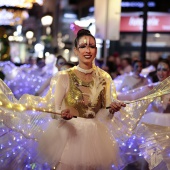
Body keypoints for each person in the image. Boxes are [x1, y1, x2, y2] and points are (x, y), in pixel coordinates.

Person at [0, 29, 170, 170]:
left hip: (94, 138)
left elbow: (104, 114)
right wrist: (61, 114)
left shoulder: (104, 77)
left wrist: (111, 109)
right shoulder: (64, 77)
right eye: (83, 46)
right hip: (67, 135)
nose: (88, 50)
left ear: (96, 50)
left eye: (91, 46)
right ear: (76, 50)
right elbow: (54, 111)